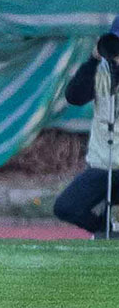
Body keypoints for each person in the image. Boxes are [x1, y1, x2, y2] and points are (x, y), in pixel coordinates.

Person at [53, 16, 119, 238]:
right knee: (66, 207)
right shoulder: (100, 71)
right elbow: (74, 97)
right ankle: (106, 230)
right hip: (104, 164)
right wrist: (93, 60)